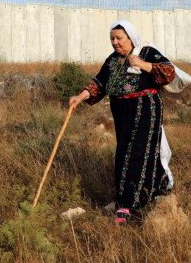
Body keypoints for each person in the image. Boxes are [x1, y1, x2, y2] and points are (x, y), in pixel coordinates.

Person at [69, 20, 176, 223]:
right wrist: (80, 97)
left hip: (145, 108)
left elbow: (168, 72)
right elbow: (99, 82)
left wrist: (142, 65)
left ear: (130, 37)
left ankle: (126, 204)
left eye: (119, 38)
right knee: (126, 151)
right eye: (112, 39)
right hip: (122, 112)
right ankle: (157, 191)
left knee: (136, 152)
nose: (115, 42)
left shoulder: (146, 52)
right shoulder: (112, 60)